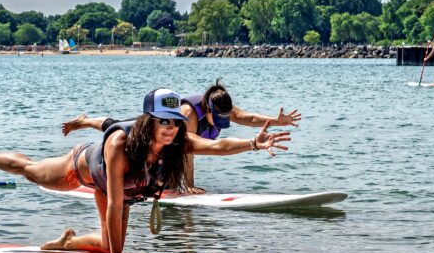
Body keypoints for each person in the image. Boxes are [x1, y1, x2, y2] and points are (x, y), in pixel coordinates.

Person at [0, 88, 291, 253]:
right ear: (150, 121)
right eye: (164, 122)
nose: (171, 128)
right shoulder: (121, 143)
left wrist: (253, 143)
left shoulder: (177, 140)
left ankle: (66, 243)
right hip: (83, 168)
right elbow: (116, 201)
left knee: (105, 244)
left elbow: (217, 146)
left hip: (121, 191)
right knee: (33, 173)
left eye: (174, 122)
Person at [61, 80, 301, 191]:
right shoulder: (189, 115)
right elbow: (187, 154)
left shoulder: (222, 105)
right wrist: (189, 187)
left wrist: (276, 120)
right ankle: (84, 121)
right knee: (113, 125)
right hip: (145, 131)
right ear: (207, 109)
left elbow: (248, 118)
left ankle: (85, 120)